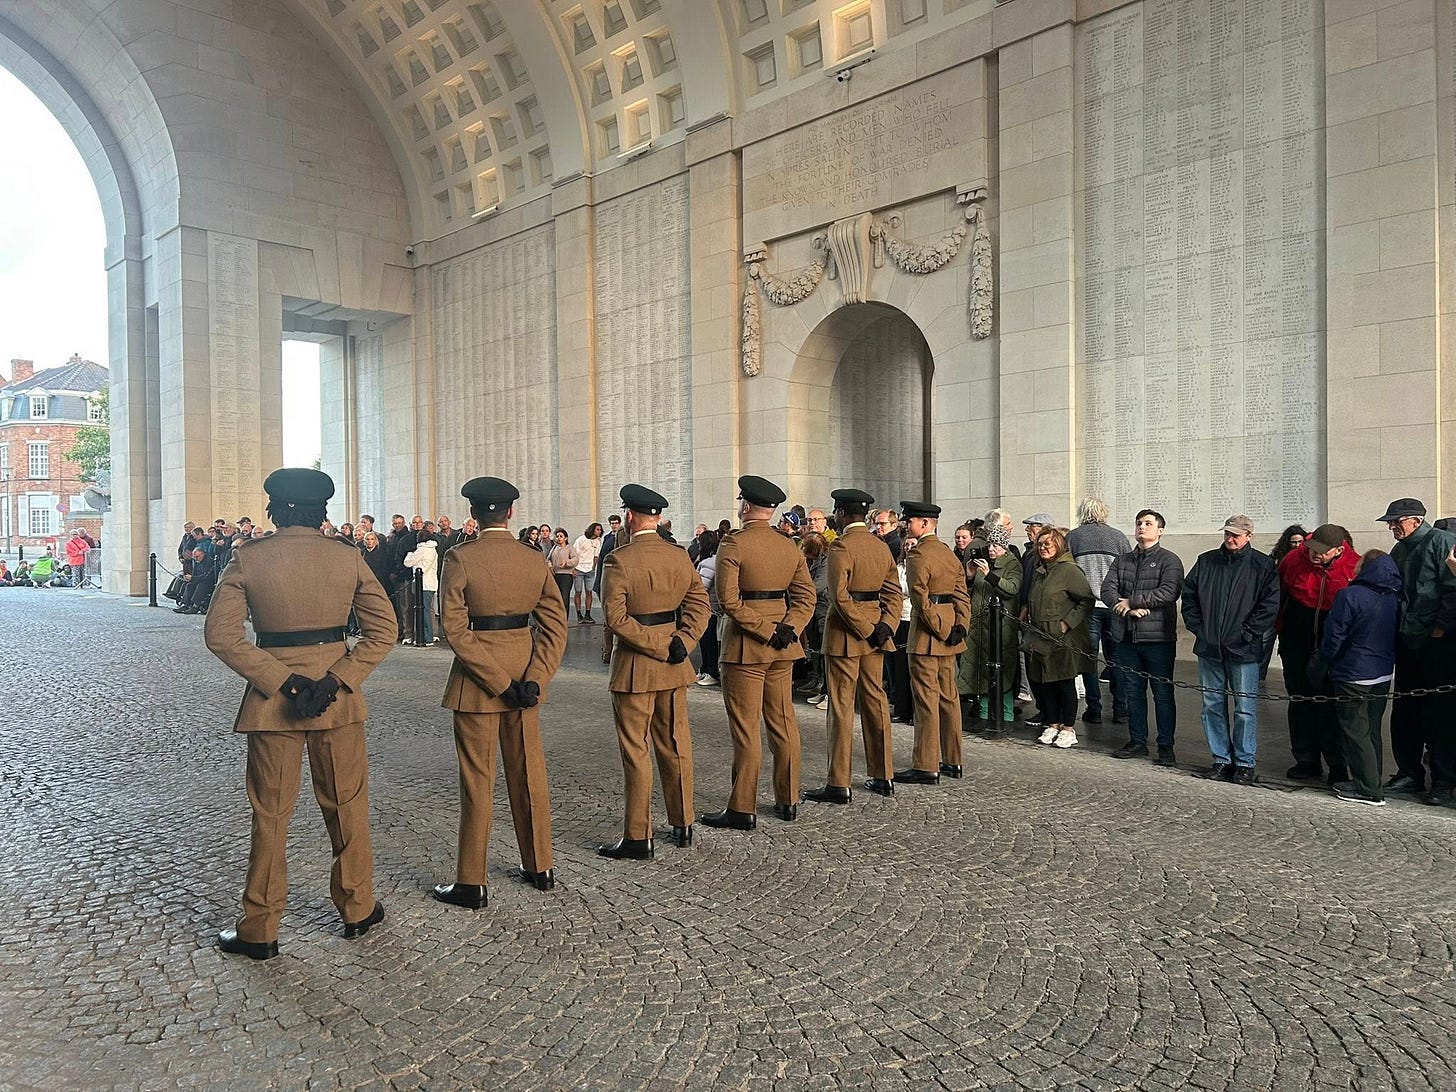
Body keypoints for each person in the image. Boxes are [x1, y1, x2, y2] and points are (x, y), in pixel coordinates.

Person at [202, 467, 396, 960]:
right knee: (347, 803)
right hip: (338, 699)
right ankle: (357, 907)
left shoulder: (248, 558)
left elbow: (222, 636)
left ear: (272, 508)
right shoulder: (348, 557)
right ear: (322, 511)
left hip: (273, 703)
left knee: (271, 814)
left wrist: (283, 682)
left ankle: (260, 926)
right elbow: (383, 630)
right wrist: (337, 678)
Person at [432, 477, 569, 909]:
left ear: (474, 514)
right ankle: (540, 865)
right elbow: (554, 624)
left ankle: (472, 881)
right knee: (529, 774)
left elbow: (453, 627)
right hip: (525, 674)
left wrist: (498, 683)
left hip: (478, 682)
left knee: (478, 781)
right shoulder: (533, 559)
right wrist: (535, 678)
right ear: (510, 513)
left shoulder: (460, 558)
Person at [598, 484, 711, 859]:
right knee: (676, 744)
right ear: (658, 518)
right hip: (675, 661)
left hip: (636, 664)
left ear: (629, 517)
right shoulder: (678, 556)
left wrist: (658, 645)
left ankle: (637, 835)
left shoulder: (619, 559)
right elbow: (700, 604)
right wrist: (685, 639)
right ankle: (682, 822)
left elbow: (615, 618)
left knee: (636, 749)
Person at [703, 475, 816, 830]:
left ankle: (742, 807)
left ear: (746, 506)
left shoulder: (733, 544)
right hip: (783, 644)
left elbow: (729, 601)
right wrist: (788, 628)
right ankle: (788, 799)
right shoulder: (788, 545)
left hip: (746, 646)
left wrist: (767, 630)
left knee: (746, 728)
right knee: (783, 722)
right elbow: (806, 597)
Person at [806, 488, 902, 804]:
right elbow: (893, 593)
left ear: (842, 514)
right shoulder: (880, 546)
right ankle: (883, 774)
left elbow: (840, 596)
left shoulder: (841, 547)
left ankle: (839, 782)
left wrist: (865, 629)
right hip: (877, 631)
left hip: (847, 635)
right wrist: (884, 626)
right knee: (875, 702)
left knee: (841, 706)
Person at [1180, 515, 1280, 785]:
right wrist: (1200, 629)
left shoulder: (1263, 565)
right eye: (1227, 533)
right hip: (1210, 646)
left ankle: (1245, 762)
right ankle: (1221, 759)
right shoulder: (1206, 561)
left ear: (1249, 535)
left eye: (1236, 534)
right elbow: (1188, 596)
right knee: (1211, 705)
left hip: (1244, 650)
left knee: (1245, 708)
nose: (1230, 538)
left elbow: (1269, 606)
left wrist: (1247, 633)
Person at [1378, 498, 1456, 803]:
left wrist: (1440, 628)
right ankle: (1409, 772)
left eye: (1396, 522)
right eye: (1390, 522)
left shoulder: (1442, 543)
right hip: (1407, 640)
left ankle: (1444, 780)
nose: (1392, 527)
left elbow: (1452, 590)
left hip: (1438, 643)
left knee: (1441, 713)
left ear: (1415, 520)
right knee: (1406, 711)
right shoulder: (1400, 549)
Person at [895, 501, 971, 785]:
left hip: (929, 635)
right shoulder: (949, 555)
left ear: (925, 524)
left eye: (911, 521)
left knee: (926, 700)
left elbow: (919, 599)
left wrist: (941, 628)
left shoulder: (919, 555)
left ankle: (926, 764)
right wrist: (960, 626)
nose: (907, 525)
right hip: (950, 629)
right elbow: (962, 594)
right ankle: (953, 759)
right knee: (949, 698)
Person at [1102, 510, 1185, 765]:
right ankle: (1137, 741)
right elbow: (1107, 588)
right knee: (1133, 692)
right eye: (1139, 523)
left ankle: (1165, 746)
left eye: (1148, 524)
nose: (1142, 527)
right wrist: (1124, 606)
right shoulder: (1122, 560)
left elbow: (1170, 591)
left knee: (1162, 693)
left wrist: (1135, 600)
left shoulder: (1169, 560)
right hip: (1127, 636)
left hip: (1157, 638)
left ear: (1160, 530)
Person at [1277, 524, 1357, 784]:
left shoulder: (1353, 566)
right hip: (1296, 641)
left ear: (1338, 550)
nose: (1314, 554)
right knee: (1300, 702)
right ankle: (1306, 759)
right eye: (1311, 549)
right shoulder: (1293, 560)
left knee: (1331, 706)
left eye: (1321, 552)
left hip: (1332, 643)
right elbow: (1279, 595)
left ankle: (1337, 764)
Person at [1322, 549, 1402, 806]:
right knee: (1372, 731)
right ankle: (1371, 779)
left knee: (1356, 732)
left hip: (1353, 672)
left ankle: (1368, 788)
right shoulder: (1393, 596)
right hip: (1381, 672)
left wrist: (1323, 662)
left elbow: (1335, 636)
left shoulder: (1349, 595)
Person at [1023, 527, 1095, 749]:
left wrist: (1066, 623)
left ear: (1059, 545)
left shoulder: (1069, 570)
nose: (1043, 548)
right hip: (1040, 634)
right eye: (1040, 544)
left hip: (1063, 637)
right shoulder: (1039, 570)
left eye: (1048, 544)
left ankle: (1068, 727)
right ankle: (1052, 723)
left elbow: (1086, 600)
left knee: (1064, 682)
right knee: (1046, 682)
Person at [1067, 498, 1130, 726]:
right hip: (1114, 605)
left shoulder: (1073, 537)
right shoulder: (1118, 537)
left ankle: (1093, 708)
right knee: (1116, 659)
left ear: (1082, 513)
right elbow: (1129, 570)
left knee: (1089, 660)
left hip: (1087, 606)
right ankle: (1121, 709)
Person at [958, 524, 1021, 729]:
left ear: (1004, 547)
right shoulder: (983, 563)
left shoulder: (1013, 564)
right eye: (990, 545)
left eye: (995, 545)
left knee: (1003, 670)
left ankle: (1006, 715)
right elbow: (971, 590)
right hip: (979, 625)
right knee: (981, 669)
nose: (991, 549)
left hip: (1001, 625)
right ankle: (985, 714)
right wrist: (969, 575)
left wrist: (989, 574)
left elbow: (1011, 589)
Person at [1262, 525, 1308, 677]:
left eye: (1300, 542)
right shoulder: (1276, 560)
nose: (1296, 546)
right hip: (1276, 606)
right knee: (1264, 643)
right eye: (1293, 542)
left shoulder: (1307, 559)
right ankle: (1258, 674)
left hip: (1293, 609)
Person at [886, 537, 916, 725]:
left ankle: (914, 711)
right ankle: (901, 708)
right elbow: (895, 589)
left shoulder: (919, 565)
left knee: (914, 667)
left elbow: (911, 589)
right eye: (907, 544)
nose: (909, 547)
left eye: (913, 544)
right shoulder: (899, 568)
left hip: (914, 617)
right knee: (899, 667)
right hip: (900, 618)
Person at [595, 514, 624, 664]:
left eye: (615, 523)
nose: (613, 525)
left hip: (609, 582)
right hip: (607, 582)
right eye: (611, 523)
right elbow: (601, 561)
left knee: (611, 620)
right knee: (609, 620)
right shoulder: (607, 539)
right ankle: (608, 652)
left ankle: (610, 652)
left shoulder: (616, 540)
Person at [694, 529, 721, 688]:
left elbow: (702, 586)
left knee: (707, 641)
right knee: (705, 640)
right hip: (711, 606)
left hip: (709, 607)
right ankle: (705, 669)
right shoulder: (712, 560)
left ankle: (711, 671)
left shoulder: (709, 563)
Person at [403, 531, 441, 644]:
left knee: (423, 612)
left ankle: (426, 637)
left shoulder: (422, 550)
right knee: (427, 611)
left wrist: (409, 553)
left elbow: (407, 563)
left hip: (422, 585)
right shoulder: (433, 549)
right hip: (431, 583)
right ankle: (425, 636)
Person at [572, 523, 603, 623]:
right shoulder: (581, 539)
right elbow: (574, 554)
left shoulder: (598, 541)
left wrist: (593, 567)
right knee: (578, 592)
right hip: (579, 568)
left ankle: (588, 614)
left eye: (600, 530)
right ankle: (578, 614)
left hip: (589, 570)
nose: (599, 531)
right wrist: (574, 568)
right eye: (597, 529)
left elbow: (596, 556)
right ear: (592, 529)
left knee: (589, 592)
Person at [548, 528, 578, 609]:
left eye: (561, 536)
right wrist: (550, 567)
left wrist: (567, 562)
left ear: (565, 538)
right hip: (555, 575)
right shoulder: (554, 548)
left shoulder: (570, 548)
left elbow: (575, 560)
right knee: (556, 598)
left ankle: (564, 618)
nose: (559, 538)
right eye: (557, 536)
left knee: (564, 598)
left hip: (566, 575)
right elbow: (548, 559)